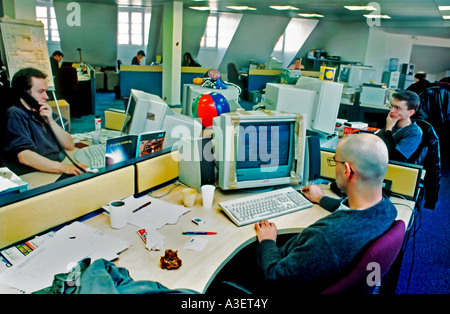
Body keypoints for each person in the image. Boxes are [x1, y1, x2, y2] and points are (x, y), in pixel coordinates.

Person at [207, 133, 397, 294]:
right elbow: (351, 212)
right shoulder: (386, 208)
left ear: (347, 170)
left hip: (276, 279)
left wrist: (267, 241)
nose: (335, 166)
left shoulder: (325, 238)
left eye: (335, 162)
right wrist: (322, 199)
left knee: (219, 268)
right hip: (315, 270)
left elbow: (274, 277)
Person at [1, 67, 87, 176]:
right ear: (24, 94)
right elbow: (24, 156)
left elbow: (69, 145)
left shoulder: (41, 111)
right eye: (41, 91)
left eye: (46, 91)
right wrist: (63, 167)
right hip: (36, 173)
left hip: (54, 165)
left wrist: (50, 120)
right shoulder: (15, 114)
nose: (46, 96)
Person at [376, 90, 422, 162]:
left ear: (411, 112)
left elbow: (395, 158)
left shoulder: (414, 132)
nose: (392, 111)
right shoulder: (393, 122)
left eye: (397, 108)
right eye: (392, 106)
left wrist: (388, 129)